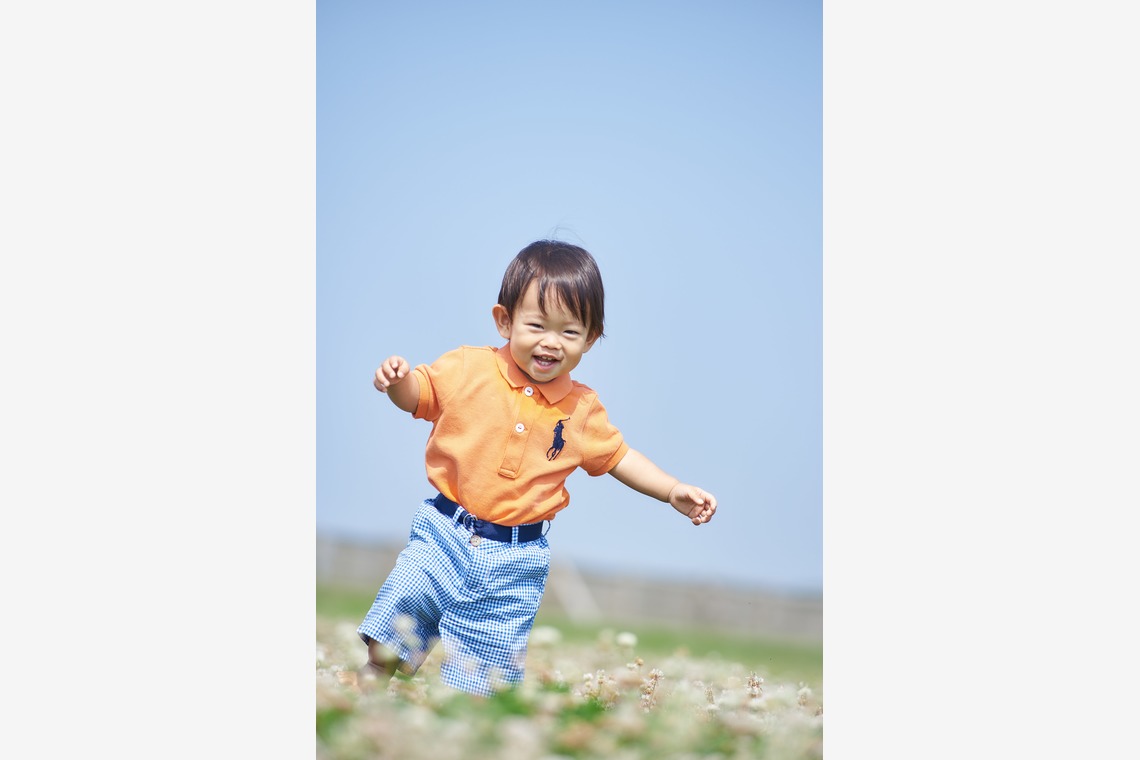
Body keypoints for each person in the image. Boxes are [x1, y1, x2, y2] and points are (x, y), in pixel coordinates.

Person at [351, 239, 717, 697]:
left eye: (569, 332)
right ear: (505, 321)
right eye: (537, 325)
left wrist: (672, 490)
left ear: (591, 338)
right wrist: (397, 381)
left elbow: (620, 457)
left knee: (480, 684)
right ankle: (360, 698)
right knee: (394, 631)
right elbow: (419, 397)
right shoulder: (469, 367)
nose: (551, 341)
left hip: (515, 560)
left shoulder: (582, 409)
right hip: (444, 531)